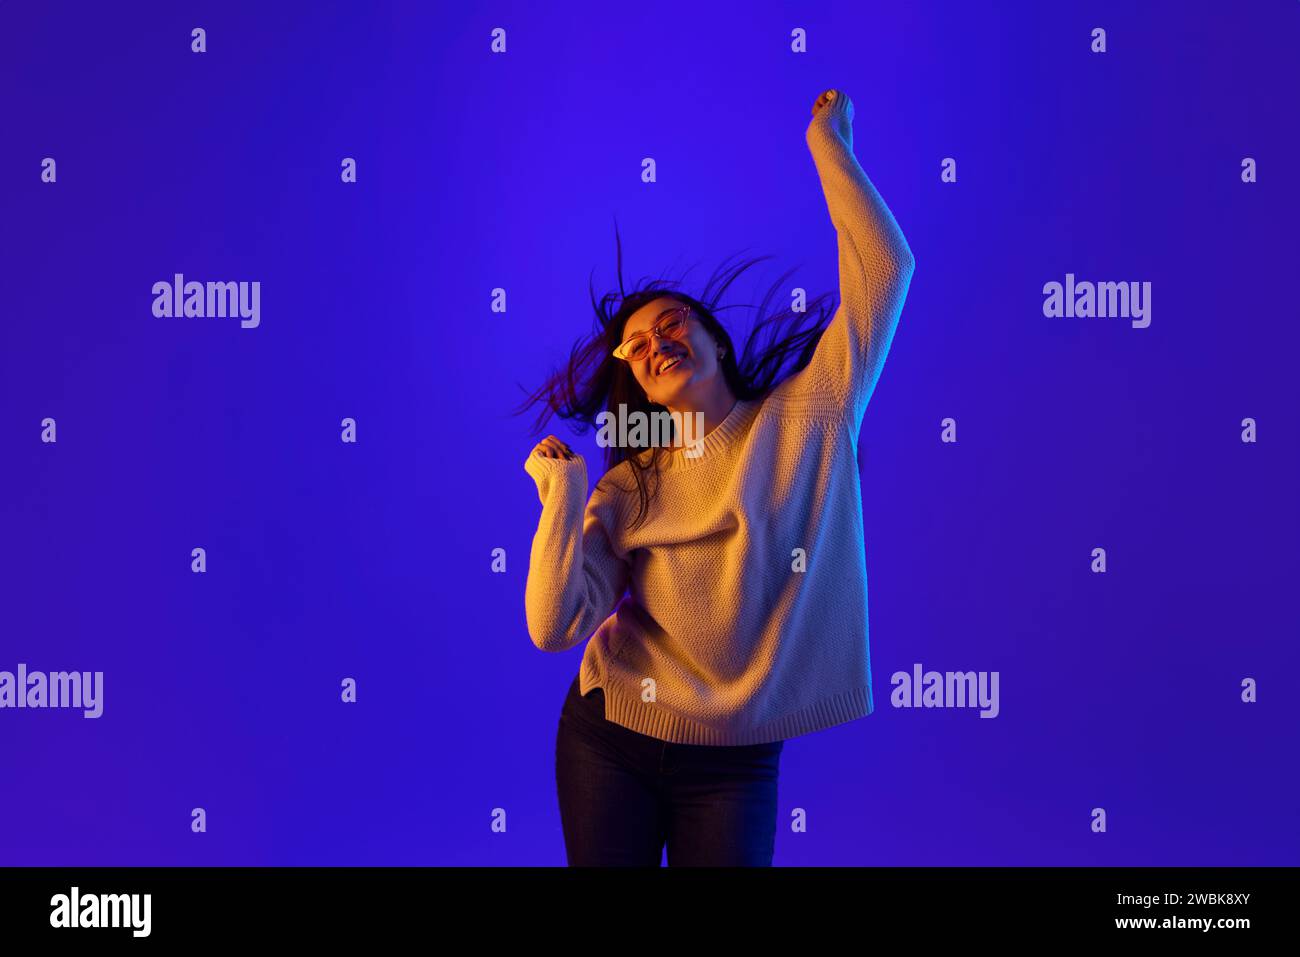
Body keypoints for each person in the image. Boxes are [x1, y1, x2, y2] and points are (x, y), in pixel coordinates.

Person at [515, 89, 915, 866]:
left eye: (673, 324)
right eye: (637, 345)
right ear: (636, 379)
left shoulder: (814, 412)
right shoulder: (631, 485)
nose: (658, 341)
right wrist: (560, 500)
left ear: (713, 339)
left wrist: (828, 142)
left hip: (734, 756)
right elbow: (551, 627)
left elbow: (887, 268)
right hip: (611, 735)